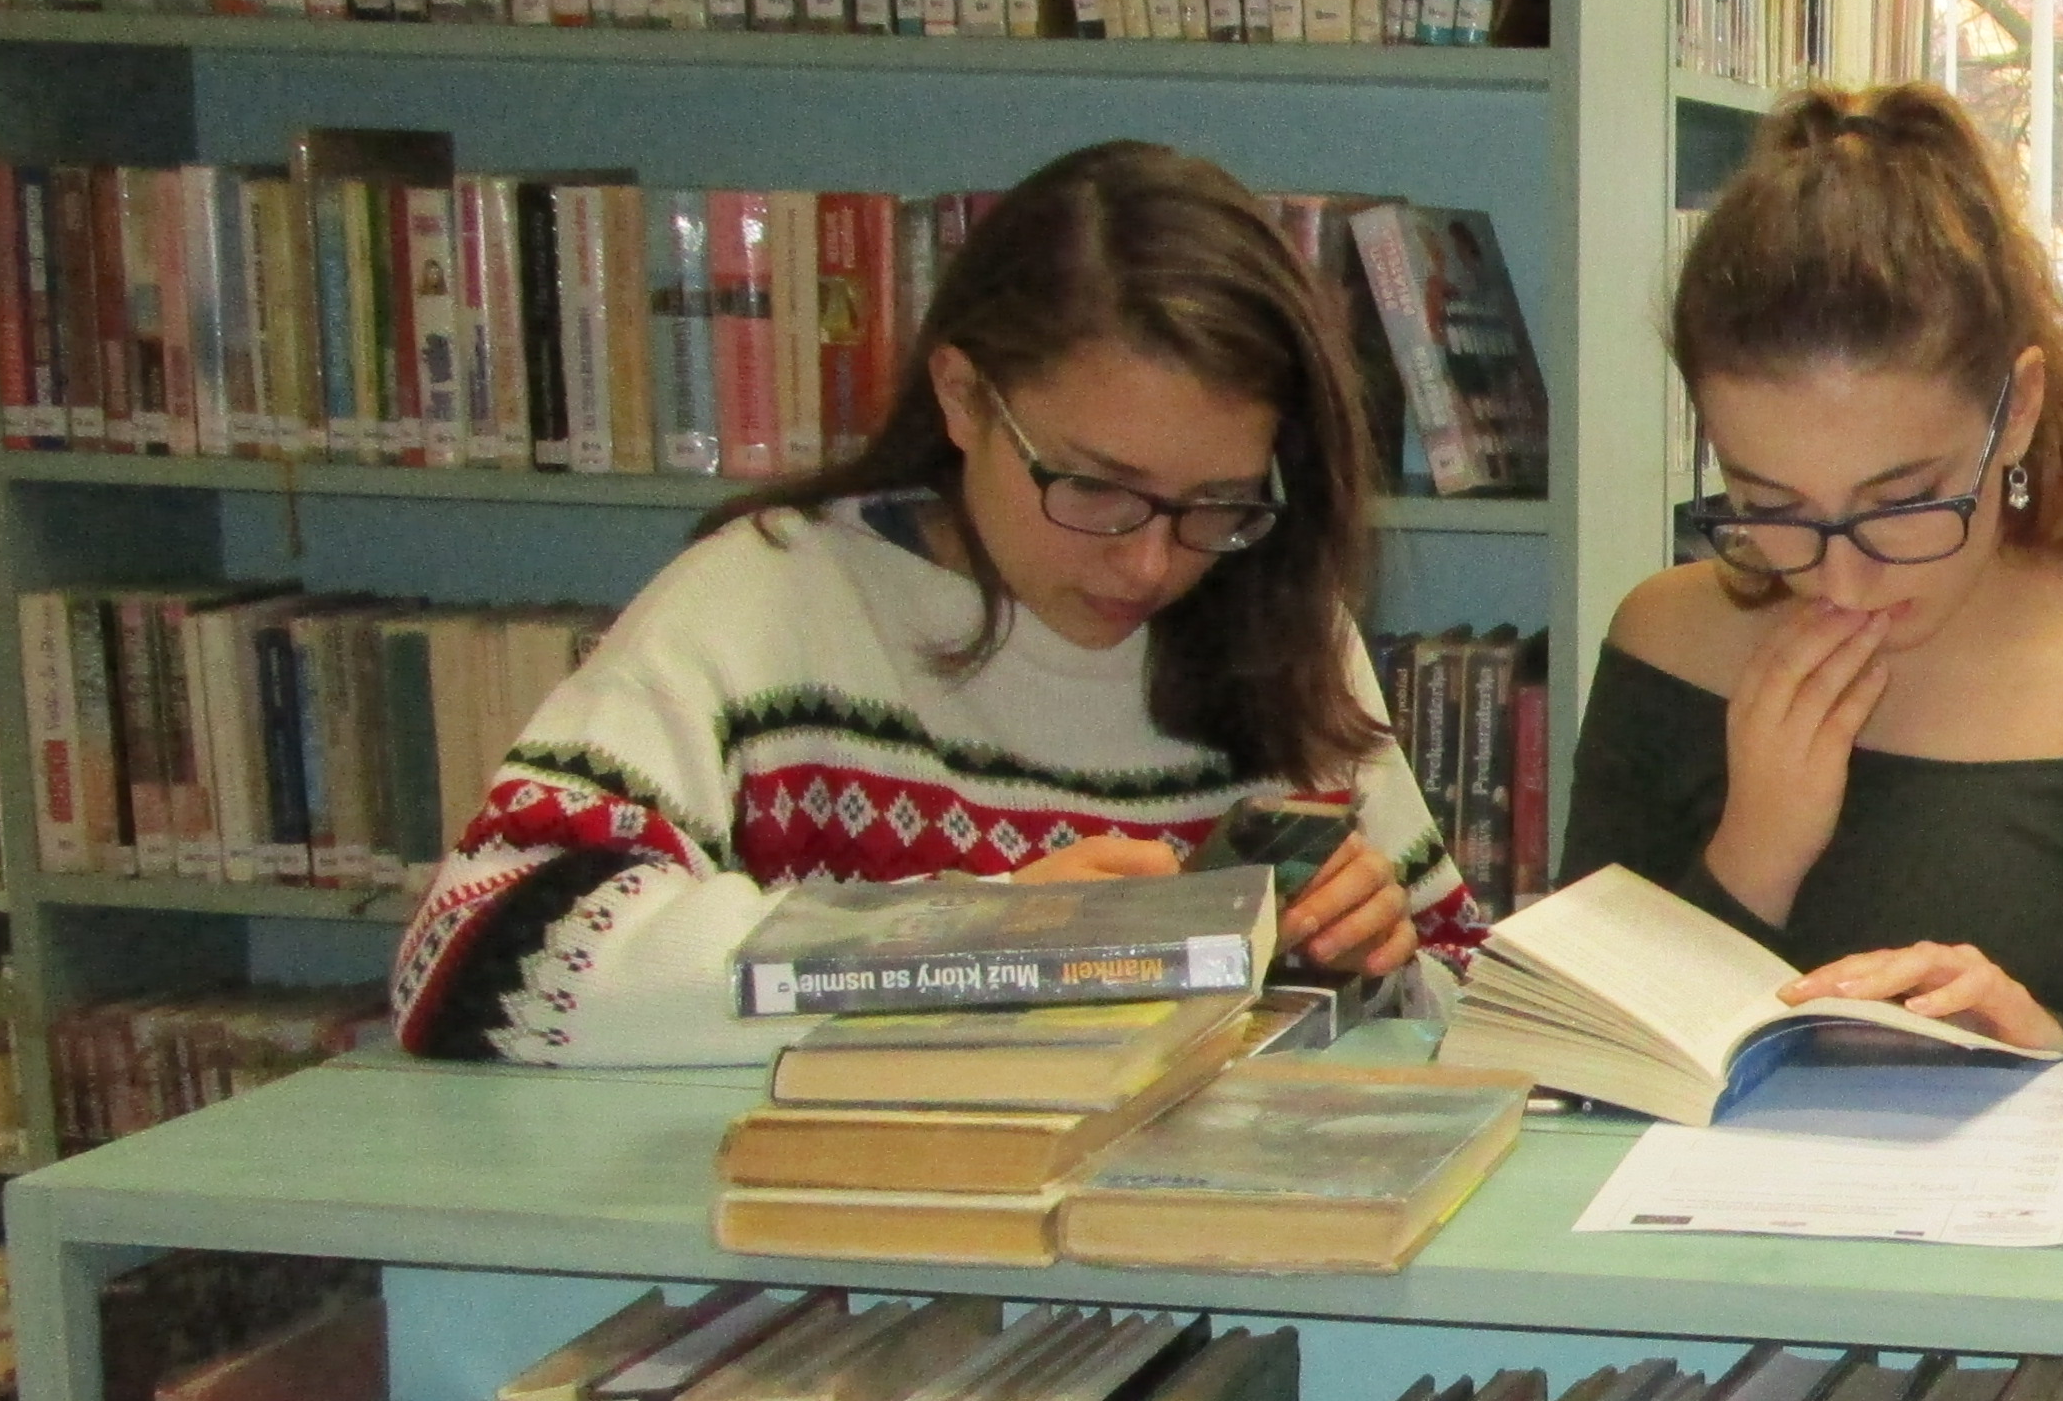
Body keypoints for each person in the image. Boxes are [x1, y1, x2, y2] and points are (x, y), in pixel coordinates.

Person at [394, 141, 1491, 1064]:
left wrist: (1372, 966)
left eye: (1217, 501)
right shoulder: (768, 599)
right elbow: (466, 958)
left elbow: (1470, 1000)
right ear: (965, 399)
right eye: (1095, 489)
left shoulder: (1278, 611)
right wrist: (963, 943)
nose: (1150, 564)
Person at [1557, 83, 2063, 1059]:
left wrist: (2047, 1052)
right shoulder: (1667, 643)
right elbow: (1575, 1074)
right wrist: (1752, 855)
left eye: (1903, 502)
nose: (1841, 581)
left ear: (2017, 411)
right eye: (1771, 507)